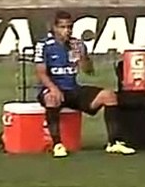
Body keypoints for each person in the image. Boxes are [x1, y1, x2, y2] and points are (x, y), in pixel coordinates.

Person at [33, 11, 135, 157]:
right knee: (51, 98)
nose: (66, 31)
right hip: (51, 89)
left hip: (72, 89)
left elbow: (89, 71)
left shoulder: (77, 44)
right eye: (63, 27)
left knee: (109, 95)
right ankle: (57, 145)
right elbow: (41, 72)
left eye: (69, 27)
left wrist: (82, 57)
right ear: (54, 28)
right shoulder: (44, 45)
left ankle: (114, 142)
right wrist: (53, 89)